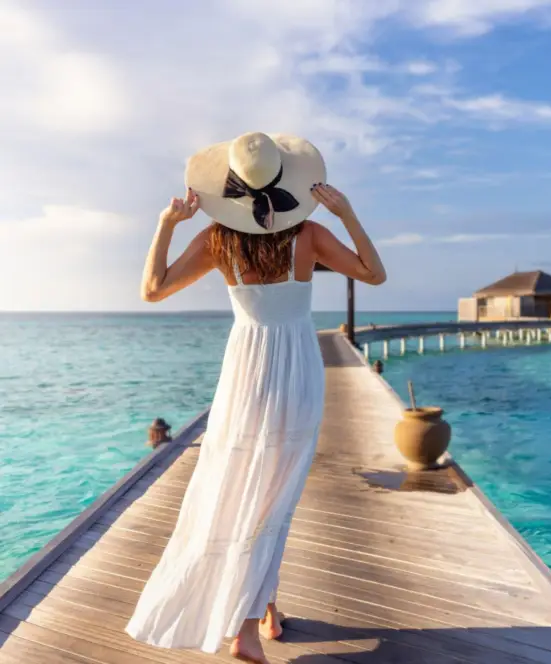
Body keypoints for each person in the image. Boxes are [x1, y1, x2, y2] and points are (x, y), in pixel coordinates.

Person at [125, 132, 386, 664]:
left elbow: (152, 291)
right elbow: (373, 274)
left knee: (240, 485)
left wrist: (165, 226)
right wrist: (349, 216)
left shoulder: (219, 241)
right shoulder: (310, 234)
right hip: (297, 367)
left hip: (246, 367)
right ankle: (248, 626)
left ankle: (264, 609)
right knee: (276, 496)